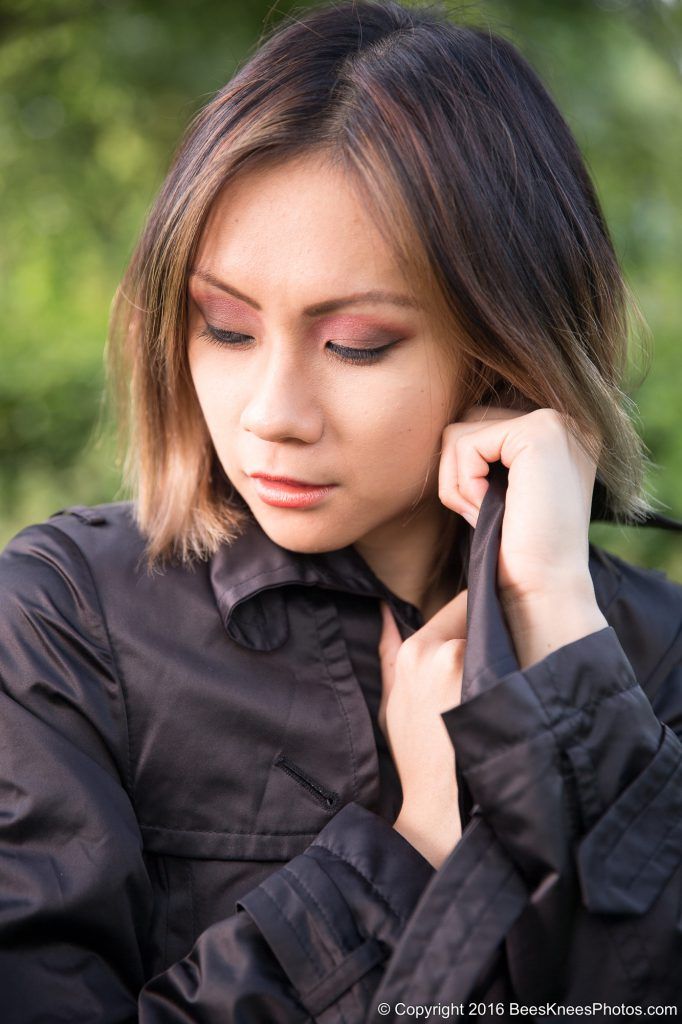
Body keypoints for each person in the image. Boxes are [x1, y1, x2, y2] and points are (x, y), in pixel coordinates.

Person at [1, 0, 680, 1019]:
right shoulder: (66, 621)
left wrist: (559, 632)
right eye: (225, 328)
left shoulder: (653, 652)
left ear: (500, 349)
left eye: (356, 342)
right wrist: (410, 858)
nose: (271, 415)